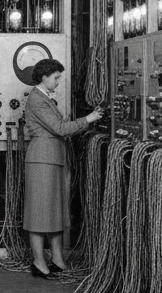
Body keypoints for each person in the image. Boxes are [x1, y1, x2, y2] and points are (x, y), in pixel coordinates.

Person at [22, 58, 103, 279]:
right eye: (56, 77)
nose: (58, 81)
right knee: (39, 213)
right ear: (44, 77)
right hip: (42, 160)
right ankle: (39, 262)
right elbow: (59, 128)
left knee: (55, 211)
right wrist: (88, 118)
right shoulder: (37, 100)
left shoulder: (44, 98)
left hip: (53, 159)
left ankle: (58, 260)